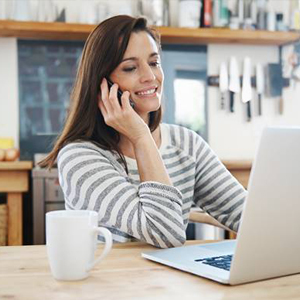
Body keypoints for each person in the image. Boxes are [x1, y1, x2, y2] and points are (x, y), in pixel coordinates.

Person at [40, 15, 247, 248]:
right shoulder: (79, 157)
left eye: (154, 62)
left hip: (172, 283)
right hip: (112, 283)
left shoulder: (186, 144)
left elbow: (250, 217)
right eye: (130, 68)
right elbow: (166, 234)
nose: (150, 76)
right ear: (102, 85)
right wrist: (141, 137)